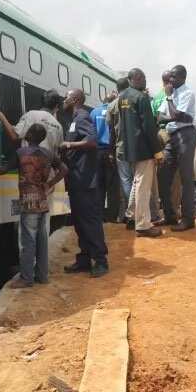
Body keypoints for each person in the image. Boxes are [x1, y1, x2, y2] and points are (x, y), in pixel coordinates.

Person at [0, 124, 68, 288]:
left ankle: (26, 278)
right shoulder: (48, 154)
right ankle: (42, 275)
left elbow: (3, 170)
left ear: (30, 135)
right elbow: (64, 169)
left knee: (28, 241)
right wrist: (50, 183)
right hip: (42, 201)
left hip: (28, 202)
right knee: (42, 240)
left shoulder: (21, 153)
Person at [60, 89, 109, 278]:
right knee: (80, 222)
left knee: (90, 221)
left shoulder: (82, 117)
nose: (64, 100)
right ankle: (84, 259)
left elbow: (92, 141)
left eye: (66, 97)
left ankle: (101, 261)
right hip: (77, 179)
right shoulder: (74, 120)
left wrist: (69, 145)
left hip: (86, 180)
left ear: (74, 100)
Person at [118, 68, 164, 237]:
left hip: (130, 149)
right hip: (144, 149)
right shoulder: (141, 97)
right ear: (136, 78)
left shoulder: (122, 98)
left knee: (137, 184)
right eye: (143, 78)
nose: (145, 81)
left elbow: (122, 125)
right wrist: (157, 151)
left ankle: (133, 217)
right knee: (143, 187)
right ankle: (143, 225)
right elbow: (149, 127)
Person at [157, 64, 196, 231]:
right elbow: (160, 117)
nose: (170, 80)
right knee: (162, 175)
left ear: (182, 77)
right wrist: (175, 116)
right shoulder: (172, 93)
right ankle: (170, 216)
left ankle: (188, 219)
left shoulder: (187, 93)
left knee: (186, 178)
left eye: (173, 77)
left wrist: (169, 100)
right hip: (172, 137)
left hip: (185, 136)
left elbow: (174, 115)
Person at [0, 89, 64, 155]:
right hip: (47, 165)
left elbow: (14, 136)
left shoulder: (30, 115)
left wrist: (2, 117)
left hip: (30, 164)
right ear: (56, 106)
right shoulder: (58, 126)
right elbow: (59, 149)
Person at [106, 77, 133, 226]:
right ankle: (135, 213)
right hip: (136, 149)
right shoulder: (134, 100)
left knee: (125, 182)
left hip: (120, 148)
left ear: (117, 89)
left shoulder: (111, 106)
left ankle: (130, 214)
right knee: (136, 181)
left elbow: (111, 132)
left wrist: (111, 151)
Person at [91, 92, 120, 223]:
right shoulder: (115, 112)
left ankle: (99, 215)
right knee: (113, 186)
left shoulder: (94, 112)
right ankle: (112, 217)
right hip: (111, 152)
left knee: (99, 185)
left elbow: (91, 133)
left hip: (97, 152)